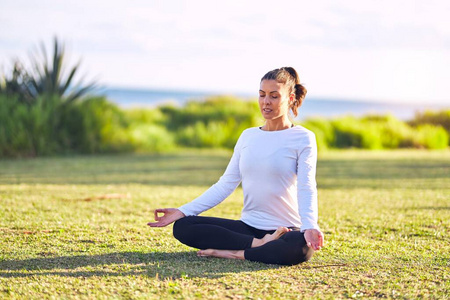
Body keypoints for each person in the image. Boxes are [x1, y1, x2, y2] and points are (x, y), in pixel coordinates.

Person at [148, 67, 324, 265]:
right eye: (262, 95)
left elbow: (306, 185)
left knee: (301, 247)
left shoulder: (303, 138)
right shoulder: (248, 136)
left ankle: (234, 253)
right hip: (249, 227)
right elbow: (226, 184)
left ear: (290, 98)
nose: (266, 102)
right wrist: (182, 211)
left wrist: (309, 225)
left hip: (287, 229)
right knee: (183, 226)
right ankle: (260, 244)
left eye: (274, 96)